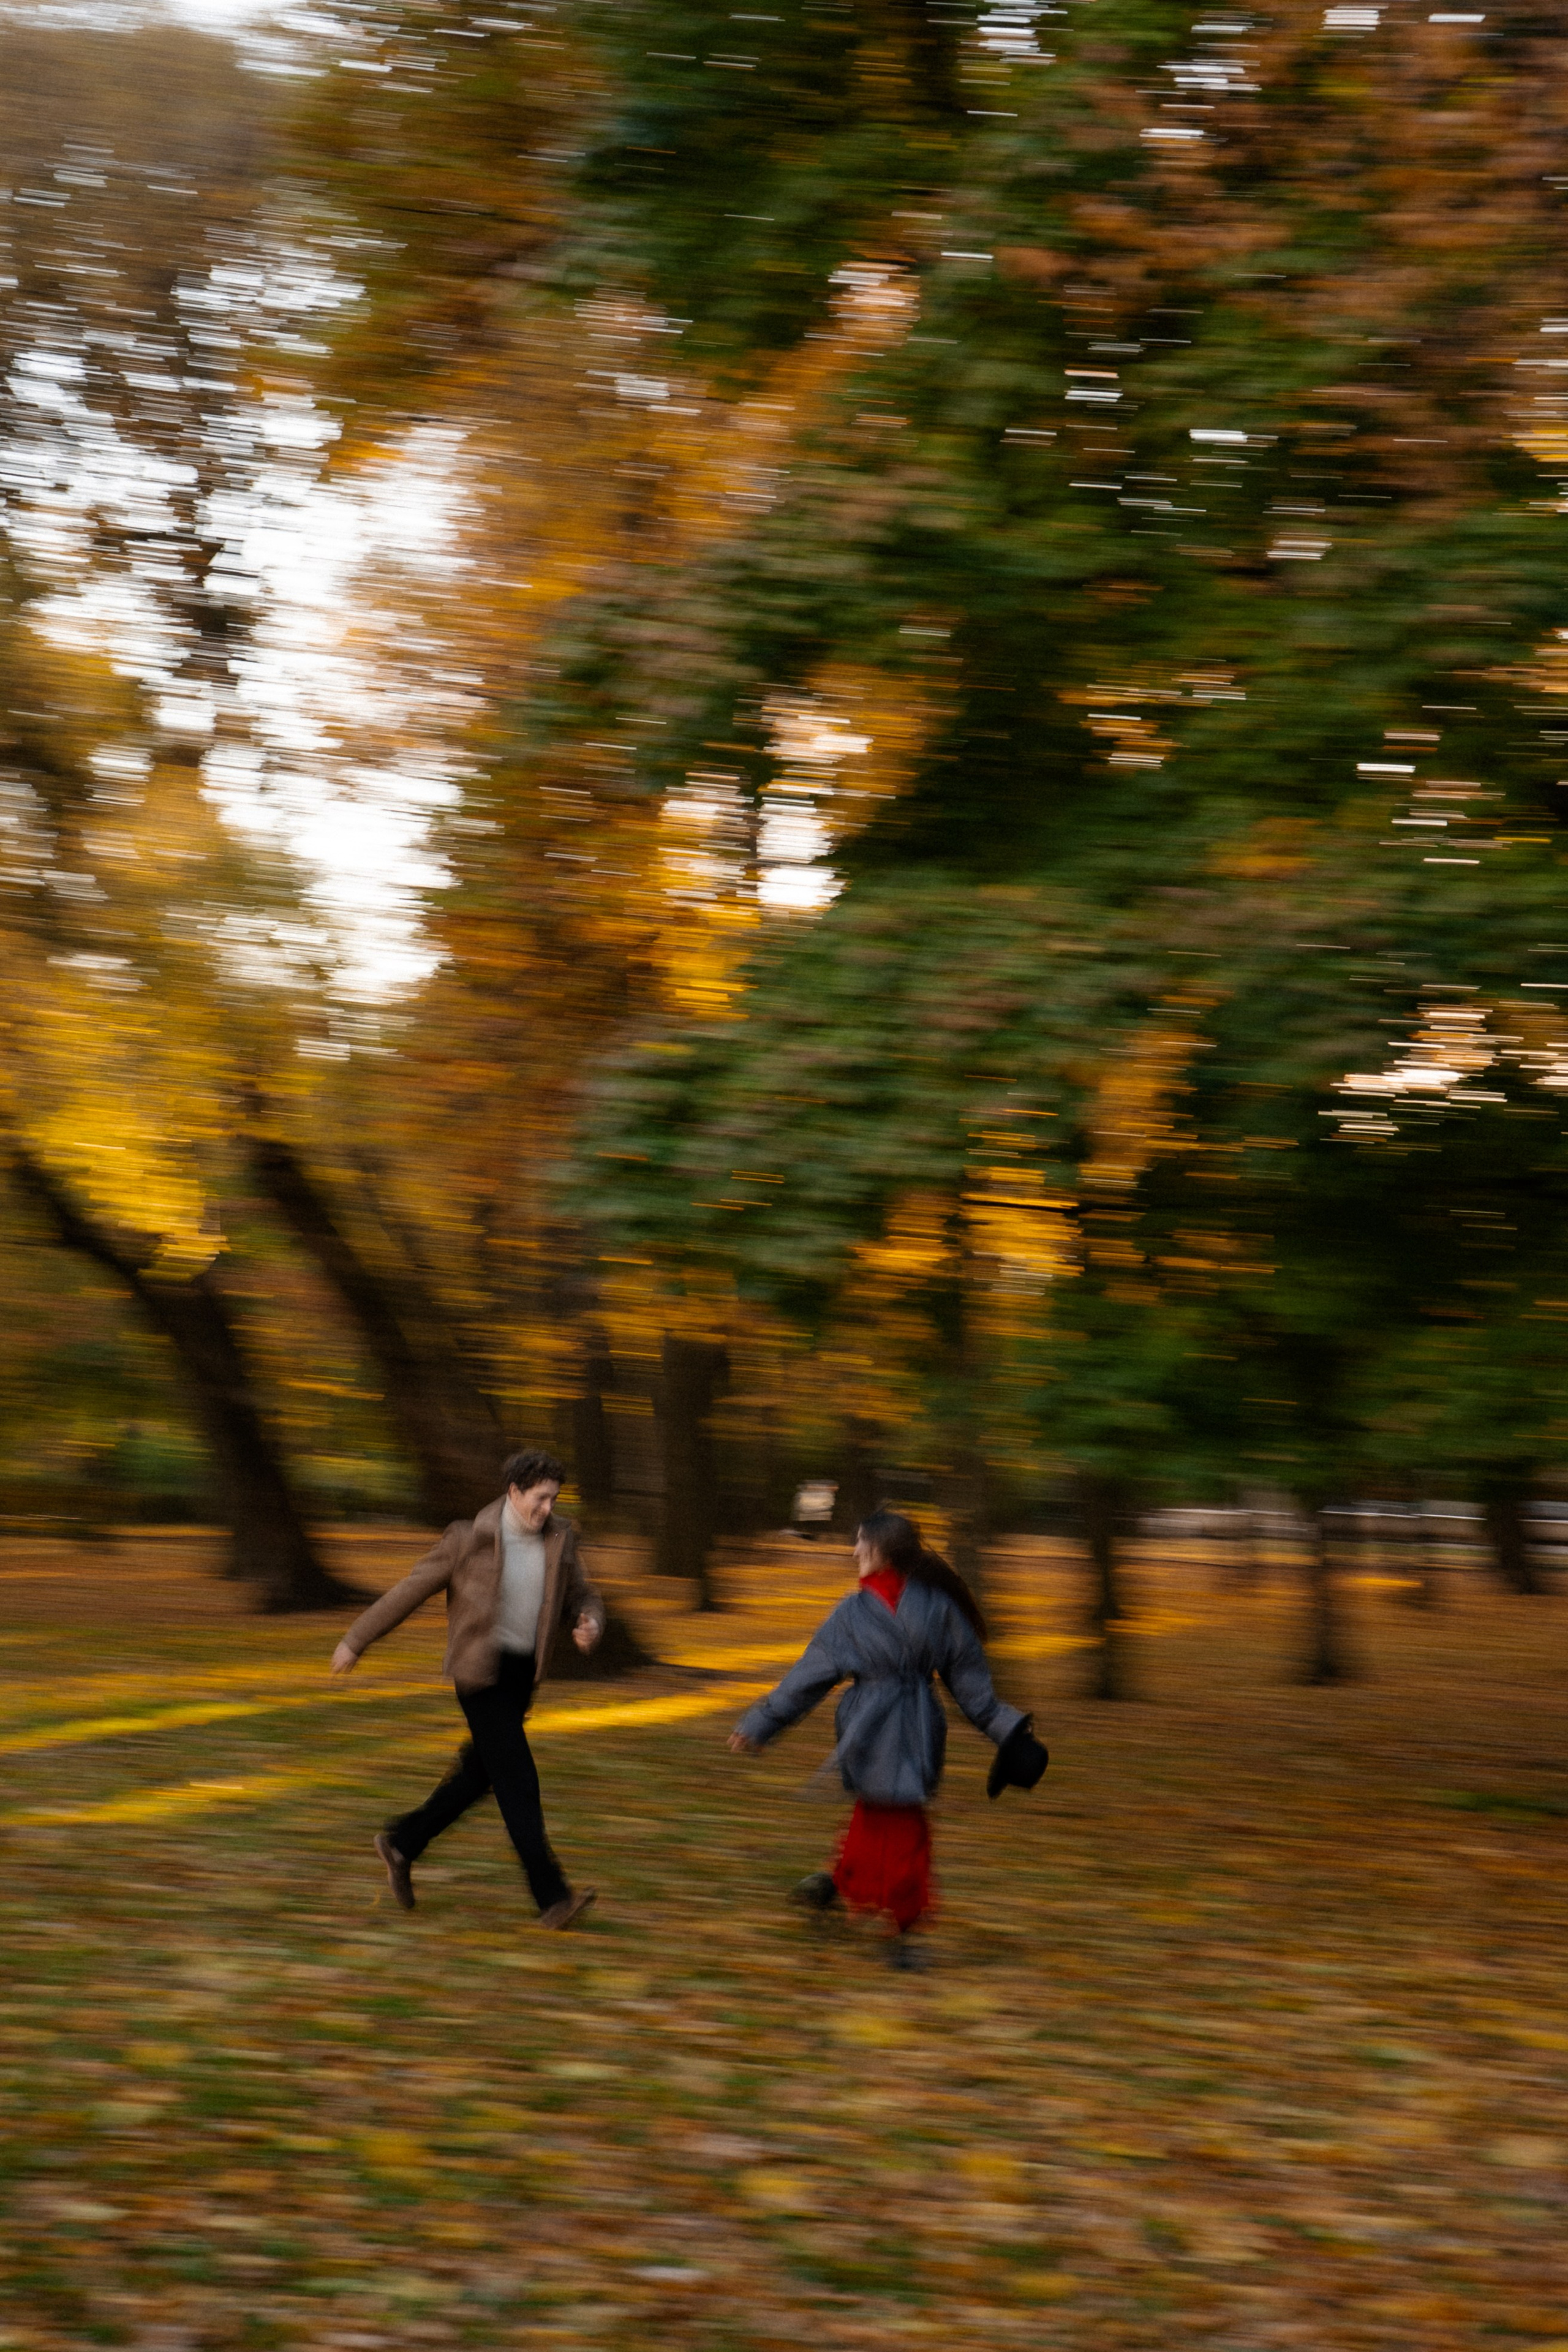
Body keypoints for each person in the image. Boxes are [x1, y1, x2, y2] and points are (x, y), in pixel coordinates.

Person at [728, 1508, 1048, 1966]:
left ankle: (840, 1889)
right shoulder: (851, 1613)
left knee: (888, 1821)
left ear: (885, 1550)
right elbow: (809, 1676)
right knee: (896, 1826)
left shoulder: (938, 1607)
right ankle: (899, 1925)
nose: (854, 1550)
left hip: (917, 1729)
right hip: (868, 1731)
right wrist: (762, 1723)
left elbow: (971, 1684)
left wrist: (1009, 1734)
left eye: (862, 1542)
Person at [330, 1449, 605, 1931]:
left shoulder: (561, 1537)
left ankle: (402, 1843)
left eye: (554, 1500)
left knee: (479, 1776)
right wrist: (357, 1640)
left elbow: (583, 1594)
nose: (548, 1510)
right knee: (519, 1779)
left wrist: (590, 1620)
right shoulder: (468, 1538)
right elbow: (408, 1591)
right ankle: (553, 1897)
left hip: (523, 1676)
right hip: (479, 1674)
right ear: (513, 1491)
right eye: (540, 1499)